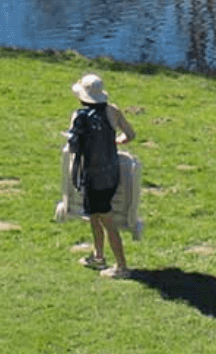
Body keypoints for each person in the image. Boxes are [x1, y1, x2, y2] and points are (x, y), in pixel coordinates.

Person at [65, 73, 136, 279]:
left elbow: (73, 146)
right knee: (94, 215)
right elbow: (130, 135)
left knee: (105, 218)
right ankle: (98, 256)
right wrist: (116, 142)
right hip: (112, 172)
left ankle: (122, 267)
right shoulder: (113, 111)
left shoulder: (79, 116)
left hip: (92, 175)